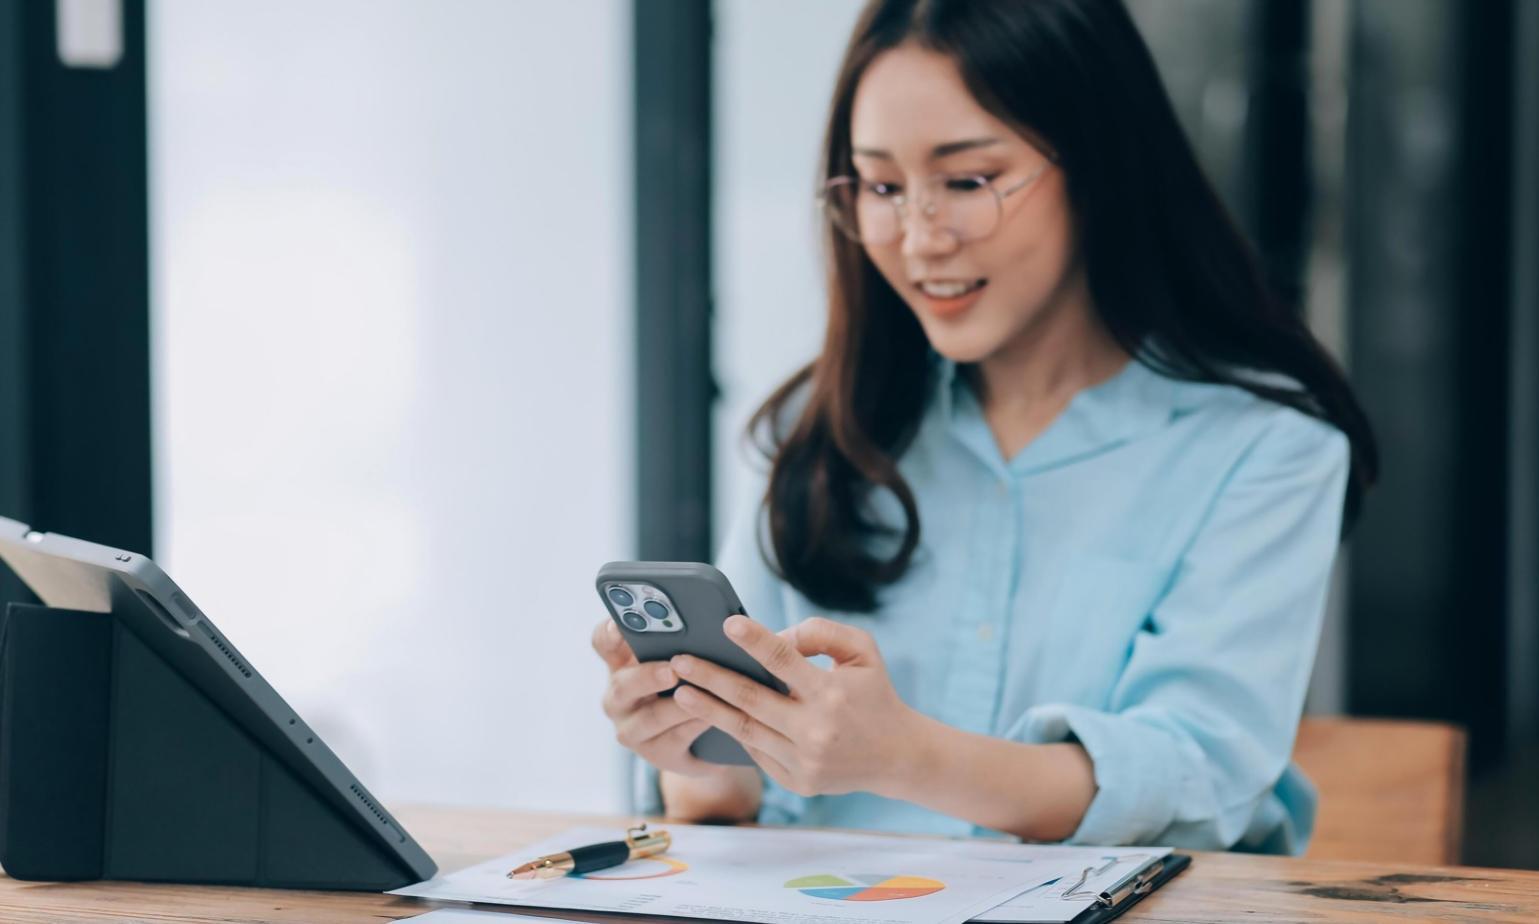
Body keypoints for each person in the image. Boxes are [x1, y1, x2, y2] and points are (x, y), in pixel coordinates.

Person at [592, 0, 1376, 853]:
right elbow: (735, 805)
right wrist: (699, 752)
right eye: (882, 187)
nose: (919, 239)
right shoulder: (815, 426)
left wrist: (902, 757)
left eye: (966, 181)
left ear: (1099, 168)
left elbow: (1196, 780)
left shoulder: (1265, 446)